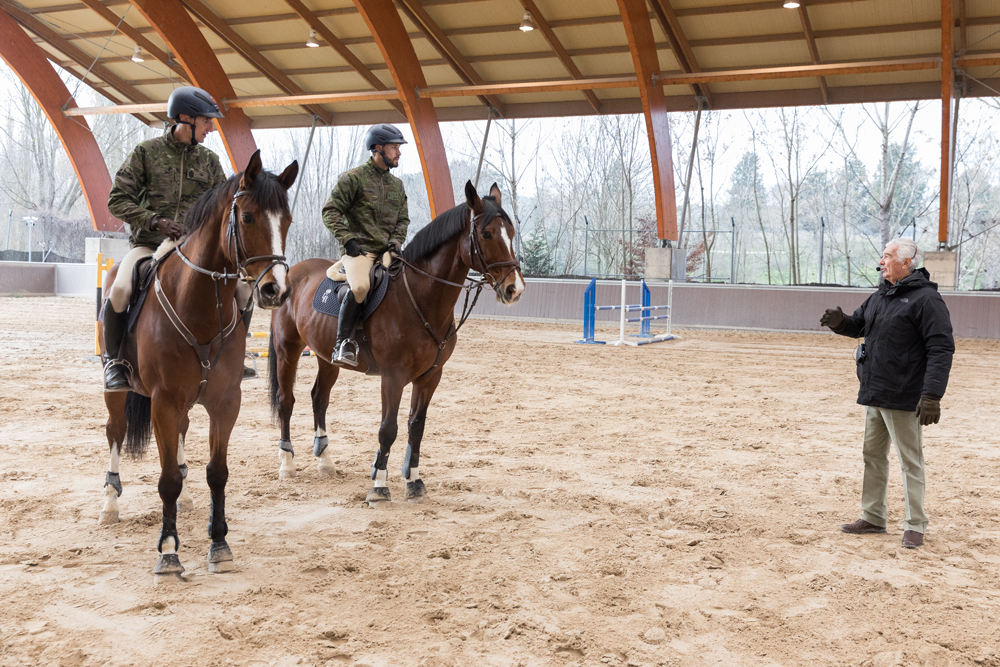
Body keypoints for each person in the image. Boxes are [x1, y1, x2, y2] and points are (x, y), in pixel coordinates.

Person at [103, 86, 254, 390]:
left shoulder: (210, 161)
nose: (211, 128)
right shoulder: (146, 153)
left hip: (195, 248)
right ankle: (114, 362)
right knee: (119, 289)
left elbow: (224, 206)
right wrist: (155, 221)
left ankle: (234, 355)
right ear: (185, 118)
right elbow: (116, 199)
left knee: (243, 290)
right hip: (149, 245)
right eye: (206, 121)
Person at [821, 238, 954, 549]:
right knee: (873, 456)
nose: (881, 262)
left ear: (906, 262)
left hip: (904, 394)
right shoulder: (881, 295)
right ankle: (873, 516)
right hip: (874, 389)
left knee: (911, 461)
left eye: (887, 256)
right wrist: (841, 323)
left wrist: (932, 394)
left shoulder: (926, 301)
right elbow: (859, 325)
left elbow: (941, 348)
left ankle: (915, 525)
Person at [321, 123, 411, 366]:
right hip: (359, 250)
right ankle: (342, 344)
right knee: (360, 287)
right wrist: (347, 240)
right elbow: (330, 211)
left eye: (399, 149)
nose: (399, 153)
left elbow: (403, 219)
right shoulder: (353, 178)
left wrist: (396, 241)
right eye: (395, 148)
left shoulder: (397, 185)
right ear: (378, 149)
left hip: (387, 251)